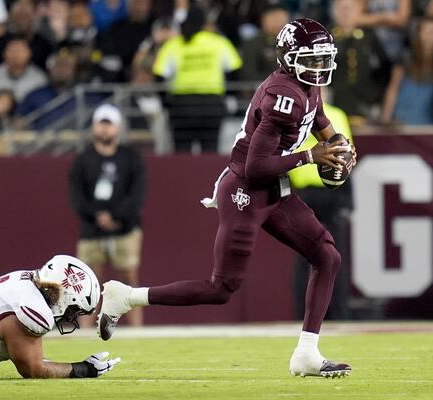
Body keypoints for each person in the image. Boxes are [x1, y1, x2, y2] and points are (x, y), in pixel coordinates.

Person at [98, 18, 356, 378]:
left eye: (323, 59)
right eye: (311, 60)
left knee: (327, 255)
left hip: (273, 188)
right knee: (221, 289)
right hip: (245, 192)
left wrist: (337, 141)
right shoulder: (282, 96)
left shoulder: (304, 87)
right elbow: (256, 167)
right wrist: (311, 156)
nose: (319, 68)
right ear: (289, 57)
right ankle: (125, 297)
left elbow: (317, 116)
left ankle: (307, 353)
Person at [69, 104, 146, 328]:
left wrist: (116, 216)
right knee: (88, 283)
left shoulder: (131, 158)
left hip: (125, 228)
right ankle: (84, 331)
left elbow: (137, 193)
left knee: (129, 280)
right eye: (100, 125)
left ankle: (137, 331)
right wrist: (97, 217)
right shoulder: (82, 160)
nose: (104, 130)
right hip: (91, 230)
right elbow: (76, 195)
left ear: (117, 128)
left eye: (109, 125)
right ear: (93, 127)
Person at [288, 89, 353, 321]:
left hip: (331, 191)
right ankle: (304, 315)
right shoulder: (298, 114)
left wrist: (347, 194)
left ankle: (338, 314)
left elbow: (347, 155)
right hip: (305, 190)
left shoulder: (336, 114)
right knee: (305, 256)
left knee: (335, 254)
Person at [153, 6, 242, 153]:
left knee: (181, 154)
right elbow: (235, 69)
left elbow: (159, 75)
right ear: (205, 23)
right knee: (210, 152)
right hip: (212, 104)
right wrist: (231, 96)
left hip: (181, 106)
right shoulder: (218, 42)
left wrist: (166, 102)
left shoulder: (173, 44)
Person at [0, 37, 48, 130]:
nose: (16, 54)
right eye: (12, 50)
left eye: (20, 50)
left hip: (30, 136)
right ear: (4, 54)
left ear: (29, 54)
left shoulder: (39, 79)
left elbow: (45, 111)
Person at [381, 17, 433, 125]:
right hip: (402, 123)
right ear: (418, 34)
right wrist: (385, 118)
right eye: (426, 31)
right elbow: (393, 88)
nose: (429, 36)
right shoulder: (405, 58)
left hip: (428, 125)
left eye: (432, 32)